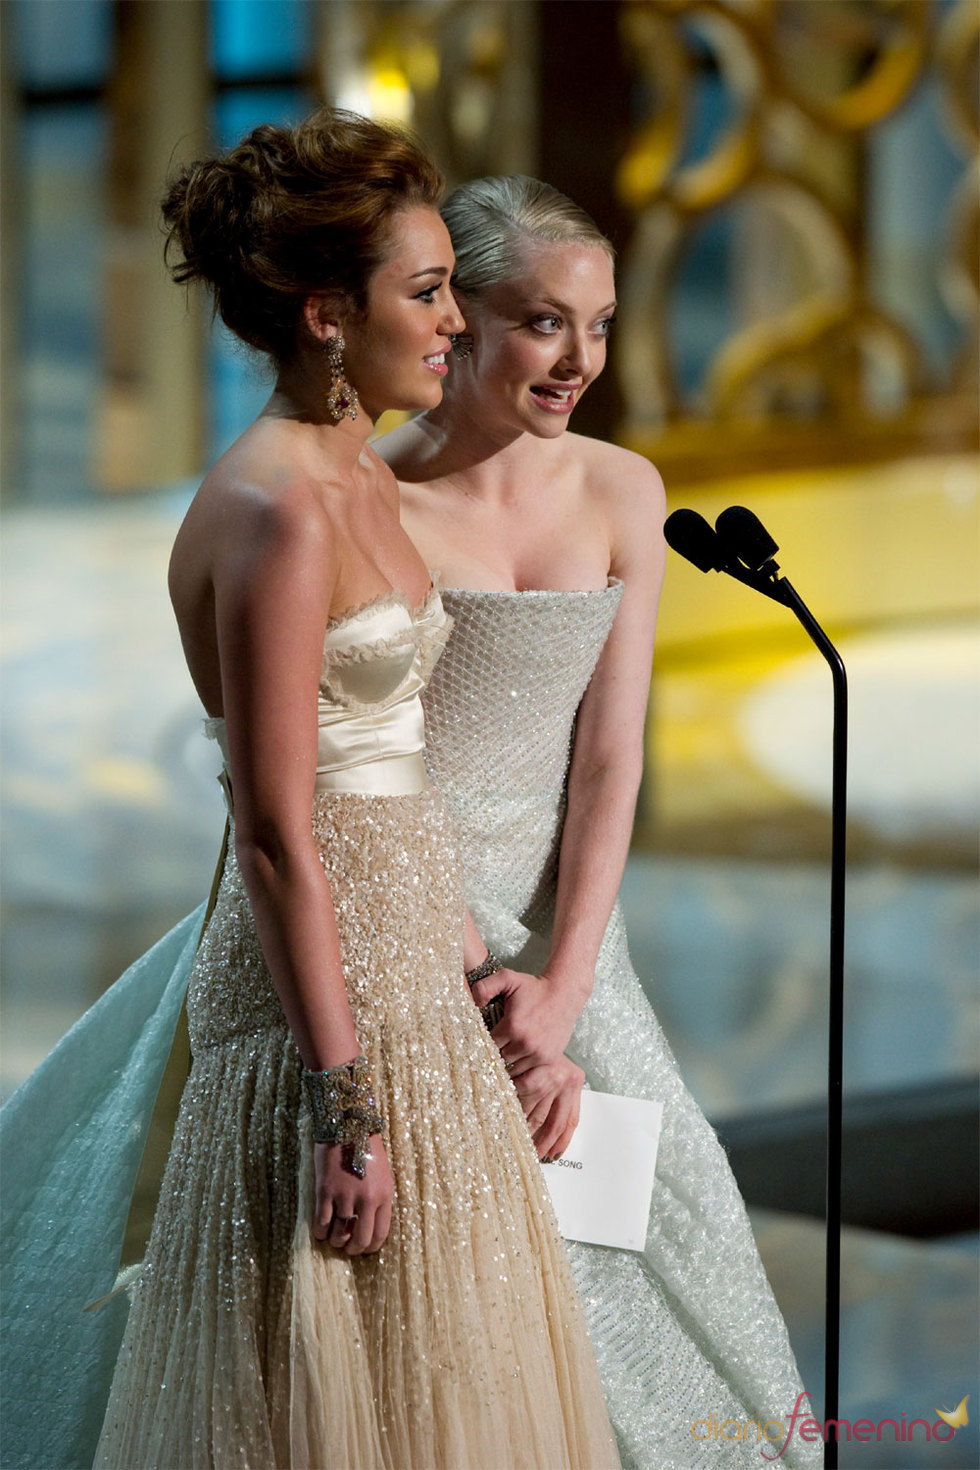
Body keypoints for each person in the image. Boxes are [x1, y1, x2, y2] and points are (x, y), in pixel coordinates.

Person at [3, 118, 620, 1470]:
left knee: (454, 1357)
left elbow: (393, 757)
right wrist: (345, 1101)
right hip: (320, 992)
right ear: (329, 317)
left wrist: (465, 947)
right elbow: (281, 831)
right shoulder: (278, 507)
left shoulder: (360, 479)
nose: (455, 319)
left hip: (416, 956)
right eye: (427, 292)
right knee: (321, 1370)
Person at [378, 175, 821, 1470]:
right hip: (404, 919)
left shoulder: (628, 489)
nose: (582, 359)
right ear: (452, 314)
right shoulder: (370, 504)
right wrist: (471, 984)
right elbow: (368, 769)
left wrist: (562, 987)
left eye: (604, 324)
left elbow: (611, 760)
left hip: (562, 937)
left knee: (647, 1264)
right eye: (543, 322)